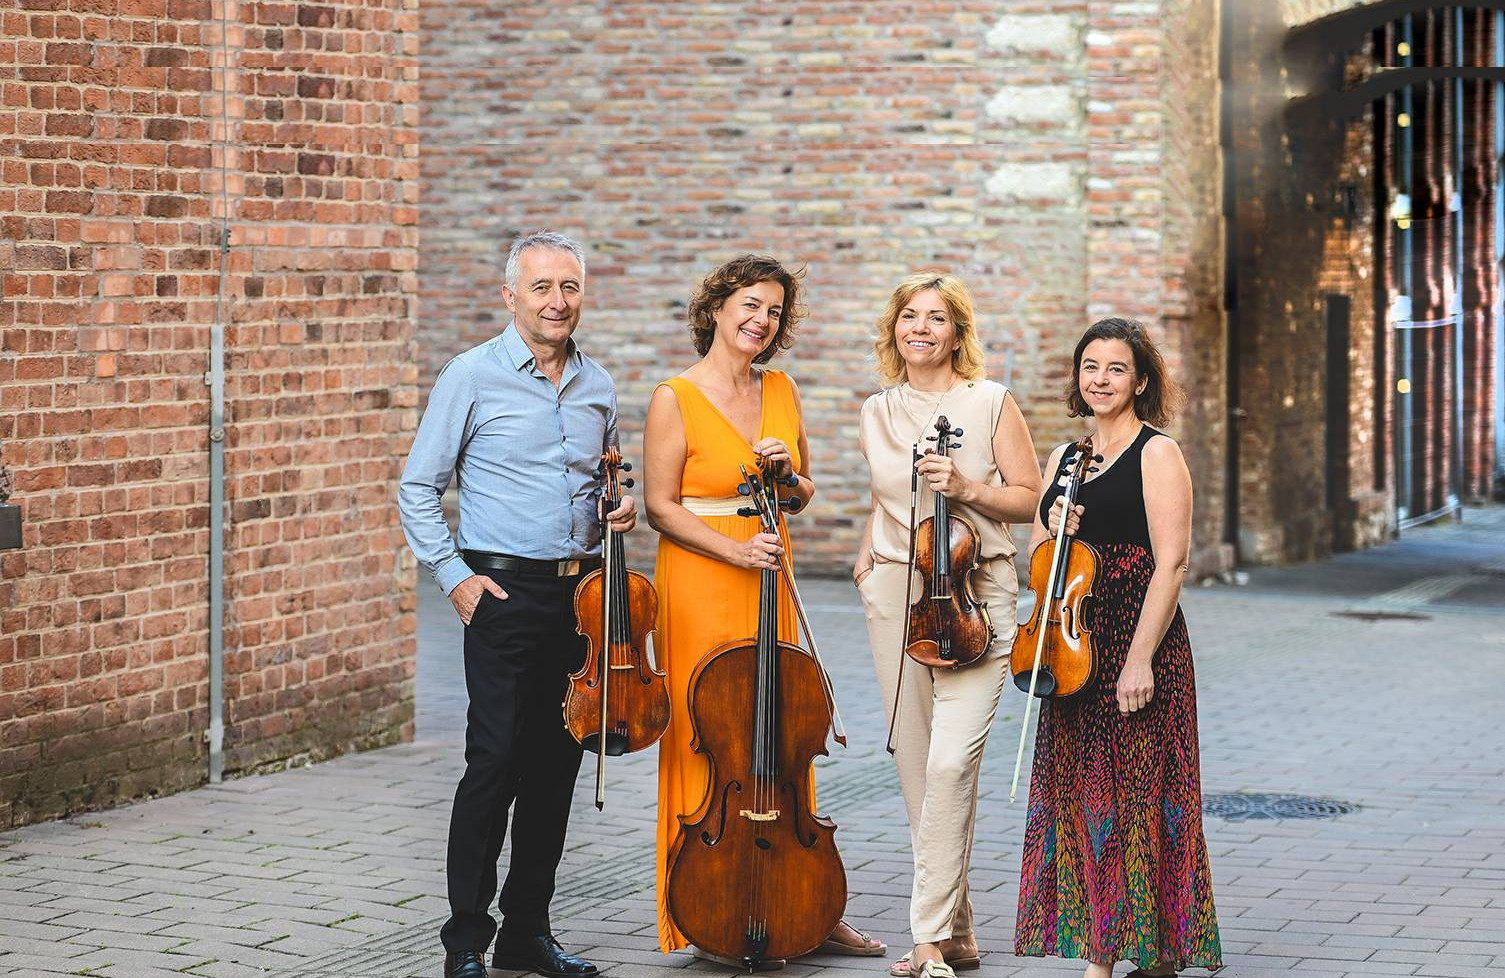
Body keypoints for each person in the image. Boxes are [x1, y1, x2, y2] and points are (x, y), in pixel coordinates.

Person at [398, 231, 637, 978]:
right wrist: (453, 576)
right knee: (494, 762)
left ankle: (526, 933)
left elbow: (602, 482)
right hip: (501, 593)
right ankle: (466, 939)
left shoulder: (598, 384)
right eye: (541, 287)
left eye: (569, 286)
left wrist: (619, 509)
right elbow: (418, 487)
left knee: (555, 768)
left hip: (581, 597)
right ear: (510, 296)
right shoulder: (470, 375)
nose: (557, 301)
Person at [643, 254, 884, 967]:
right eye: (749, 304)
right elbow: (660, 507)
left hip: (768, 575)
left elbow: (802, 492)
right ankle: (708, 907)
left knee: (781, 729)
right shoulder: (674, 397)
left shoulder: (782, 388)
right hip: (702, 578)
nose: (761, 320)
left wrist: (787, 474)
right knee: (708, 734)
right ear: (716, 308)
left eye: (774, 311)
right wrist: (734, 550)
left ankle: (803, 903)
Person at [1013, 318, 1223, 978]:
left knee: (1138, 794)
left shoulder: (1157, 453)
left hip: (1139, 639)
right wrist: (1054, 526)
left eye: (1115, 369)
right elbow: (1039, 564)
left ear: (1139, 381)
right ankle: (1146, 946)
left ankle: (1107, 958)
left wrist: (1139, 659)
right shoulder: (1063, 458)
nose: (1100, 379)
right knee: (1083, 798)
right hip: (1074, 647)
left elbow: (1173, 562)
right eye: (1090, 367)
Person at [852, 273, 1042, 978]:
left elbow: (1029, 498)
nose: (921, 329)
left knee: (949, 764)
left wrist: (965, 488)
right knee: (915, 769)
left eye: (936, 318)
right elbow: (885, 496)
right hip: (897, 594)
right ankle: (958, 936)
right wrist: (866, 558)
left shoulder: (990, 401)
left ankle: (927, 938)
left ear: (958, 332)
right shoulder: (877, 410)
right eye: (909, 316)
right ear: (894, 328)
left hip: (975, 595)